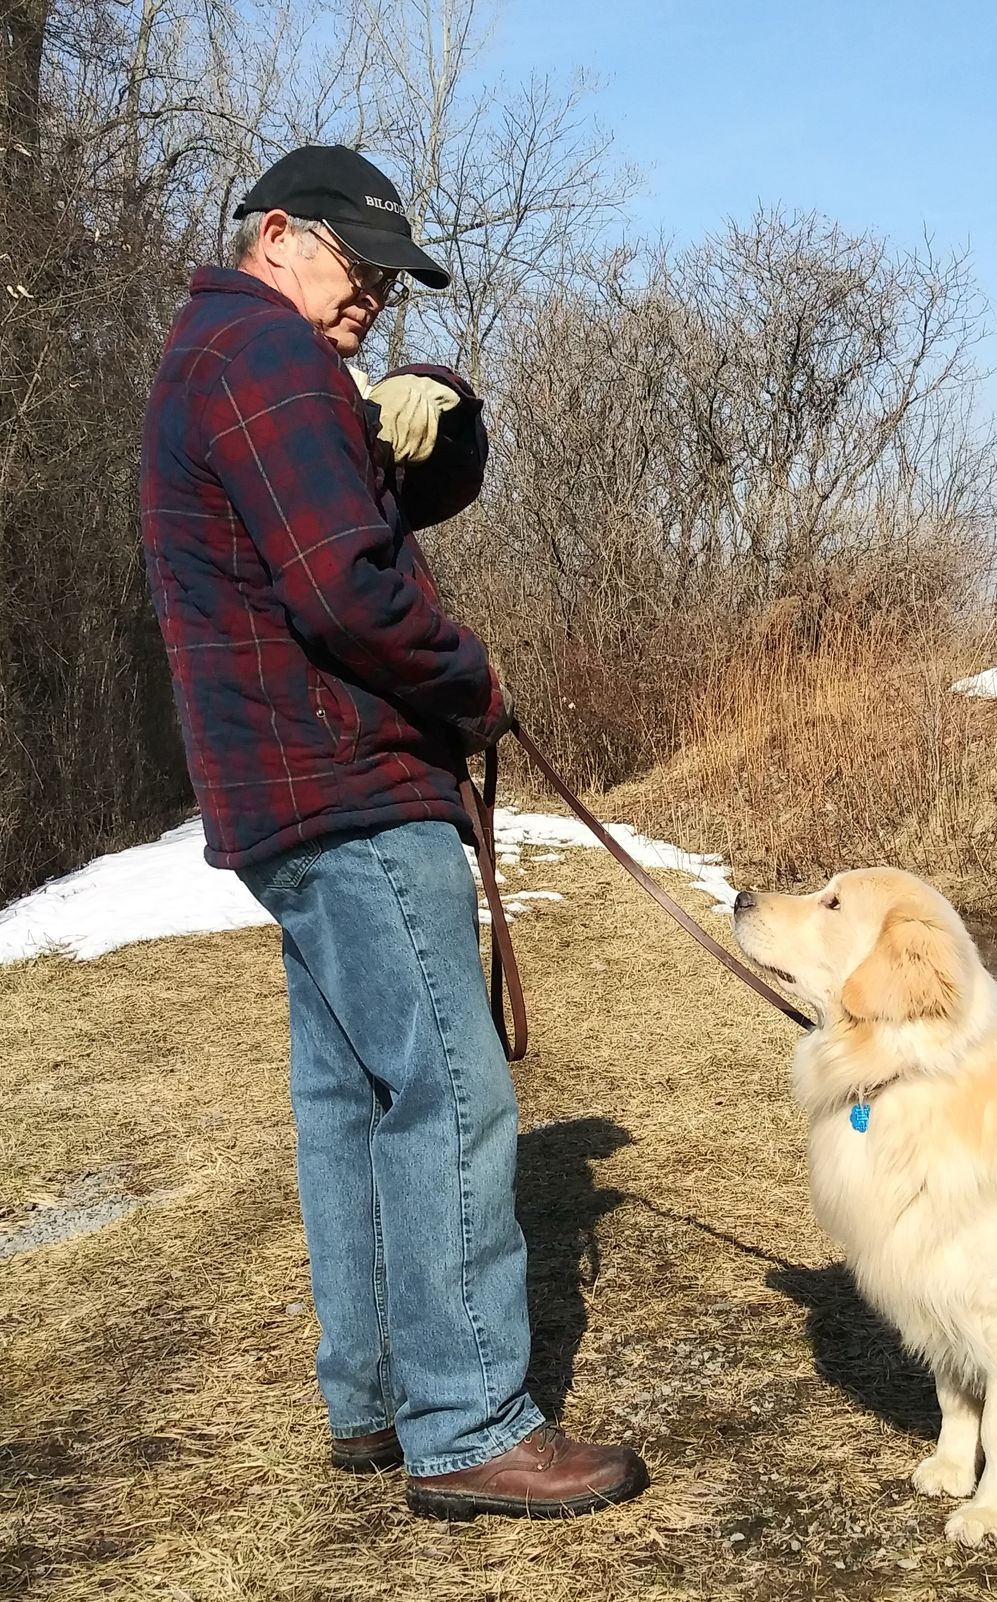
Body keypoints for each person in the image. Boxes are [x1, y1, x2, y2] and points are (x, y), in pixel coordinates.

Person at [139, 145, 648, 1519]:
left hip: (283, 796)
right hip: (350, 781)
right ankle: (469, 1417)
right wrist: (473, 684)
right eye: (356, 265)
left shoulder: (234, 359)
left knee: (352, 1099)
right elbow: (349, 590)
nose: (371, 295)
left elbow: (409, 487)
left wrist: (444, 402)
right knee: (450, 1092)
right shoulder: (268, 359)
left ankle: (372, 1394)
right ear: (277, 234)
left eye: (387, 281)